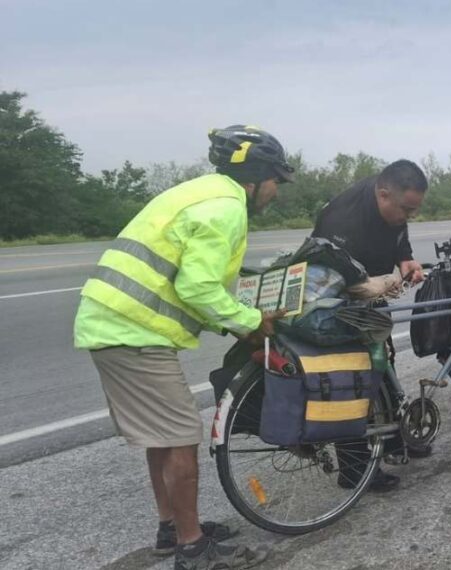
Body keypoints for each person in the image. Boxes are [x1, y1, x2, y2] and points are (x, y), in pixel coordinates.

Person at [74, 125, 294, 569]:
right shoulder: (226, 207)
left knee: (163, 435)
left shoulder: (198, 192)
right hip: (132, 331)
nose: (276, 192)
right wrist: (252, 321)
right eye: (276, 181)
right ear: (256, 177)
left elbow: (190, 283)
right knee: (180, 437)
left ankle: (171, 528)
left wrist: (233, 321)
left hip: (114, 323)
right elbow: (198, 287)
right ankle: (192, 549)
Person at [310, 159, 430, 492]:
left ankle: (394, 440)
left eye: (414, 211)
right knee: (353, 379)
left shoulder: (394, 203)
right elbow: (332, 278)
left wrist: (405, 259)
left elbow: (398, 233)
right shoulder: (343, 219)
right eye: (407, 209)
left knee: (382, 363)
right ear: (383, 195)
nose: (409, 217)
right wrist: (377, 286)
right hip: (337, 301)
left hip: (372, 295)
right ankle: (355, 468)